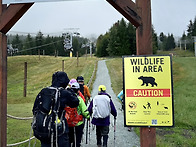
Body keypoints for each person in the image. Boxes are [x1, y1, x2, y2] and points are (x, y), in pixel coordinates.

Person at [33, 71, 79, 147]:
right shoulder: (63, 92)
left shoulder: (44, 91)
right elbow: (75, 102)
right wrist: (71, 91)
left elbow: (34, 109)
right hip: (59, 130)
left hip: (44, 130)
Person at [68, 82, 90, 147]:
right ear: (78, 90)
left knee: (69, 139)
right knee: (77, 140)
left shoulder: (67, 98)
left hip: (68, 123)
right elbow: (84, 111)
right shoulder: (79, 99)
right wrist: (88, 116)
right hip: (78, 123)